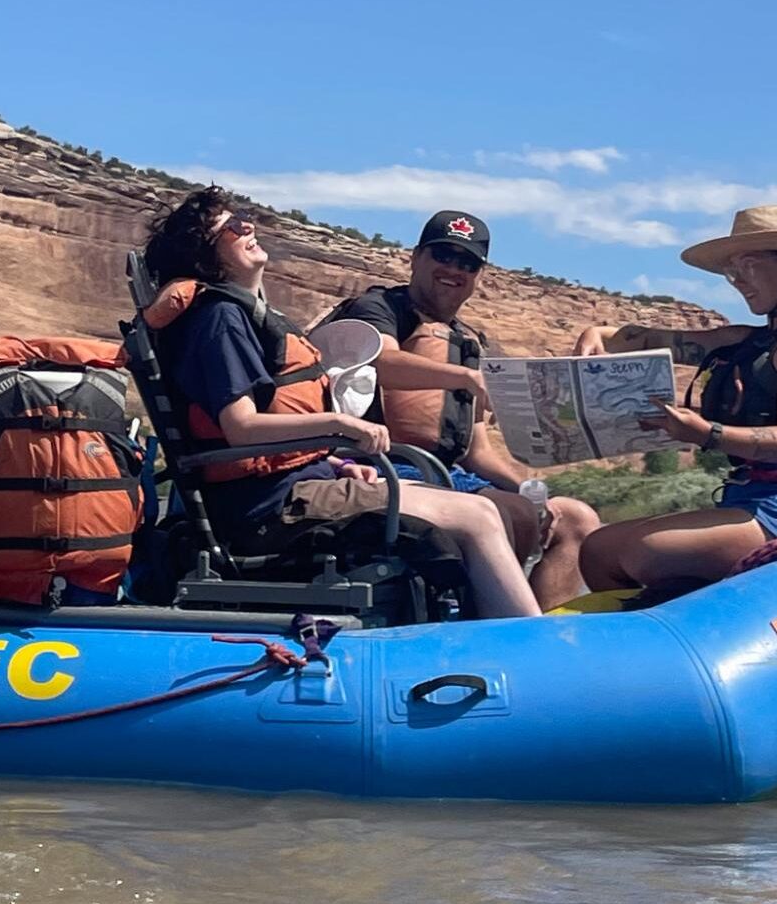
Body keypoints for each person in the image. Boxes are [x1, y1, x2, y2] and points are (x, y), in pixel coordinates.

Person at [142, 187, 541, 620]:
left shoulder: (246, 316)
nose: (247, 226)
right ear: (207, 253)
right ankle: (524, 649)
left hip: (302, 486)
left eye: (244, 217)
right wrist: (340, 426)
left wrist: (338, 463)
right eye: (232, 226)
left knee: (483, 509)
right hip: (271, 508)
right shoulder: (221, 320)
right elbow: (241, 428)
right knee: (478, 517)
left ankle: (483, 632)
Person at [573, 205, 777, 595]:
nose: (737, 281)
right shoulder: (747, 340)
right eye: (731, 271)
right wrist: (601, 333)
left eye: (749, 265)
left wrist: (705, 433)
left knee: (645, 552)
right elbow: (658, 340)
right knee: (597, 550)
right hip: (746, 498)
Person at [322, 211, 600, 609]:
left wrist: (529, 487)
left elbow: (476, 450)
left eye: (466, 263)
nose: (453, 269)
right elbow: (383, 362)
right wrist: (466, 377)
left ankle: (548, 635)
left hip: (449, 474)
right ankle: (487, 626)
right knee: (511, 514)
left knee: (574, 517)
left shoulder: (468, 340)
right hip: (379, 466)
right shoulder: (377, 307)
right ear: (416, 257)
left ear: (477, 274)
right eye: (443, 256)